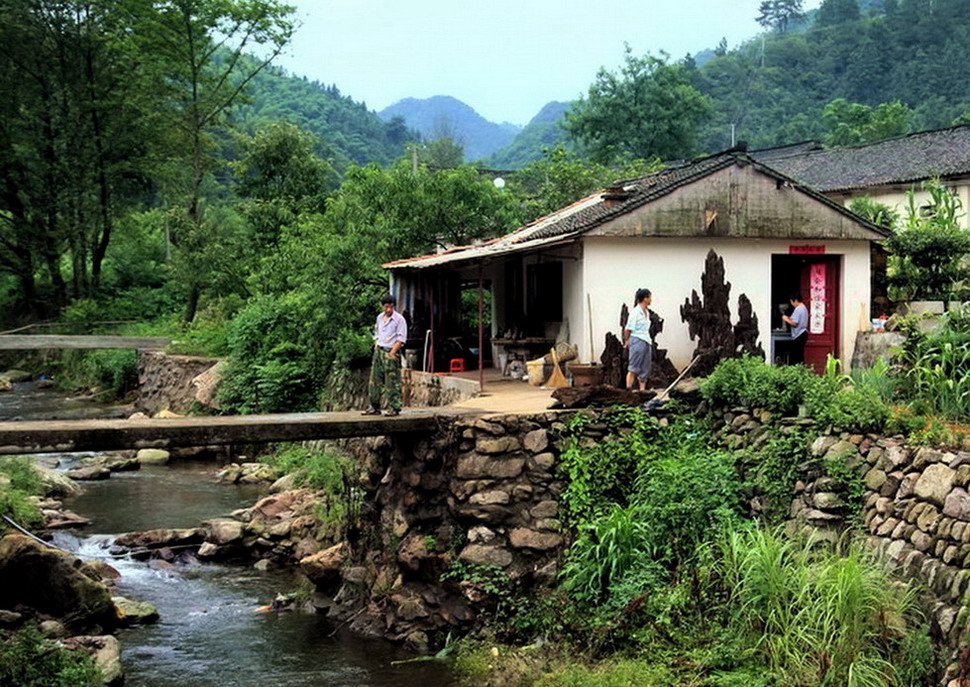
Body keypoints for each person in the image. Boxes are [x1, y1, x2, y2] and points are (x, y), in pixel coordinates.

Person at [363, 294, 408, 416]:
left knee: (392, 381)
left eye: (391, 307)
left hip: (391, 350)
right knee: (375, 380)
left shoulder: (399, 319)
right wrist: (376, 344)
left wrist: (393, 352)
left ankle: (394, 407)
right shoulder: (379, 318)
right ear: (383, 306)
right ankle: (374, 406)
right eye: (386, 307)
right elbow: (377, 332)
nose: (389, 310)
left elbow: (401, 338)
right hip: (379, 350)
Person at [623, 288, 654, 390]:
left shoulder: (647, 312)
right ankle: (628, 389)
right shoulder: (635, 312)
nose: (651, 299)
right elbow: (628, 329)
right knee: (634, 367)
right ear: (645, 298)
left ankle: (642, 391)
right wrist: (627, 341)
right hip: (637, 339)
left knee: (645, 368)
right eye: (650, 297)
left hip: (646, 340)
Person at [782, 292, 809, 365]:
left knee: (797, 356)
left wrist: (785, 319)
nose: (792, 304)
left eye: (792, 302)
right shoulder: (804, 308)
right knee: (800, 355)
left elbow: (795, 323)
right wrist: (789, 318)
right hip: (803, 333)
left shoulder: (798, 309)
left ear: (795, 300)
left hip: (799, 335)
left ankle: (798, 371)